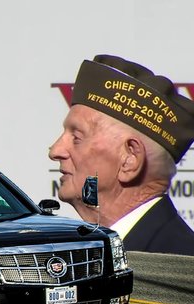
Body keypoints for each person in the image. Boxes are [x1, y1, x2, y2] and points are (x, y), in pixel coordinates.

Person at [49, 54, 194, 255]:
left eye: (77, 137)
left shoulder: (179, 269)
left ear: (129, 160)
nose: (55, 151)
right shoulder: (95, 253)